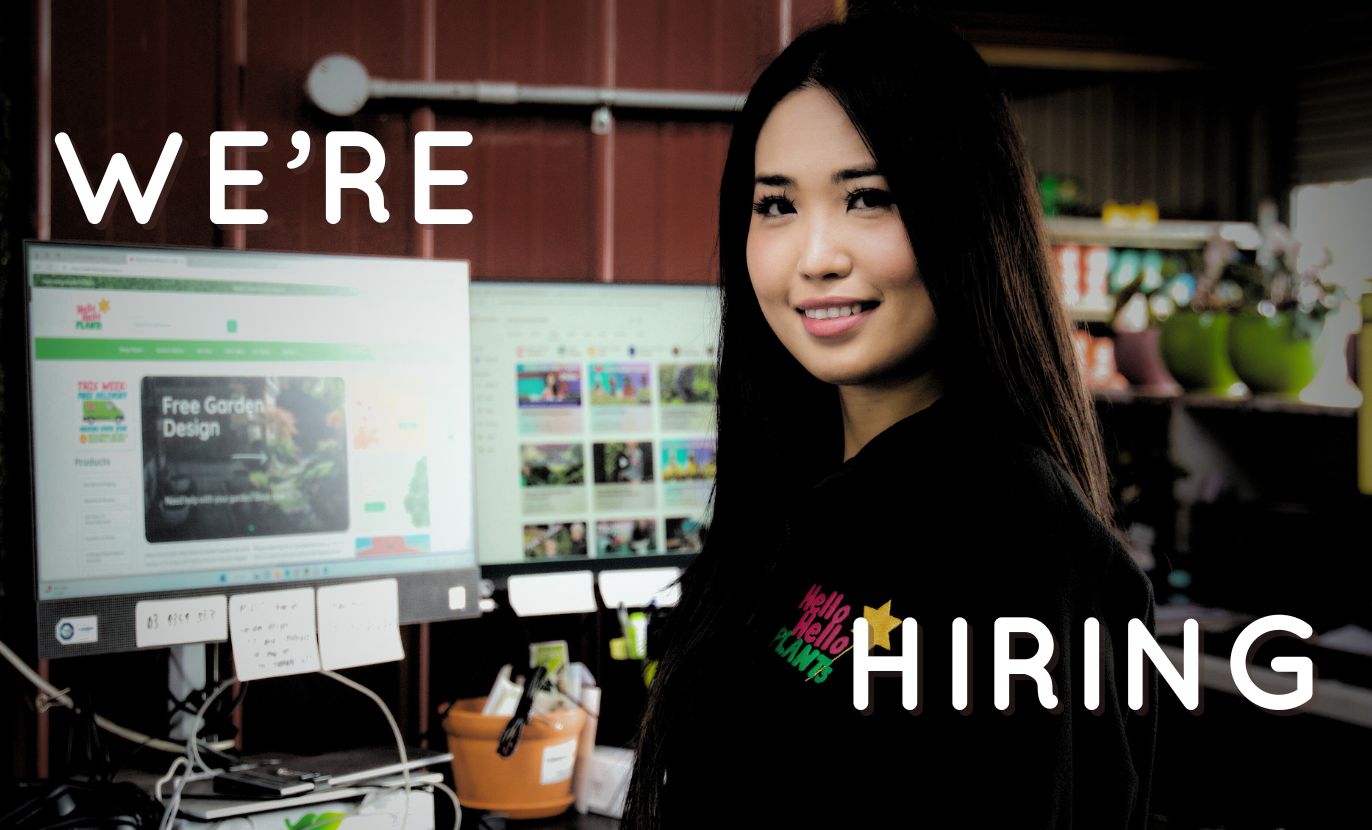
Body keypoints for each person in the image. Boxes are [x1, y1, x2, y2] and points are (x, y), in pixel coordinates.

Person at [623, 9, 1157, 829]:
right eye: (776, 207)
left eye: (868, 197)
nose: (816, 256)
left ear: (965, 218)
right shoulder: (809, 500)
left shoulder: (1011, 538)